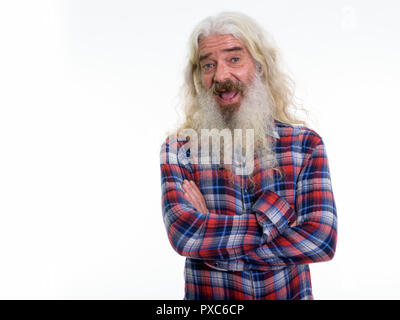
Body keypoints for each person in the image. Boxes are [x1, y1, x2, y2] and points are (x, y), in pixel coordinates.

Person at [160, 11, 337, 300]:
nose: (220, 75)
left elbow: (320, 241)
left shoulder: (305, 145)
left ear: (260, 66)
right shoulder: (178, 150)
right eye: (208, 64)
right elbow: (186, 236)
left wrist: (212, 237)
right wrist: (275, 215)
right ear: (197, 77)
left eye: (234, 59)